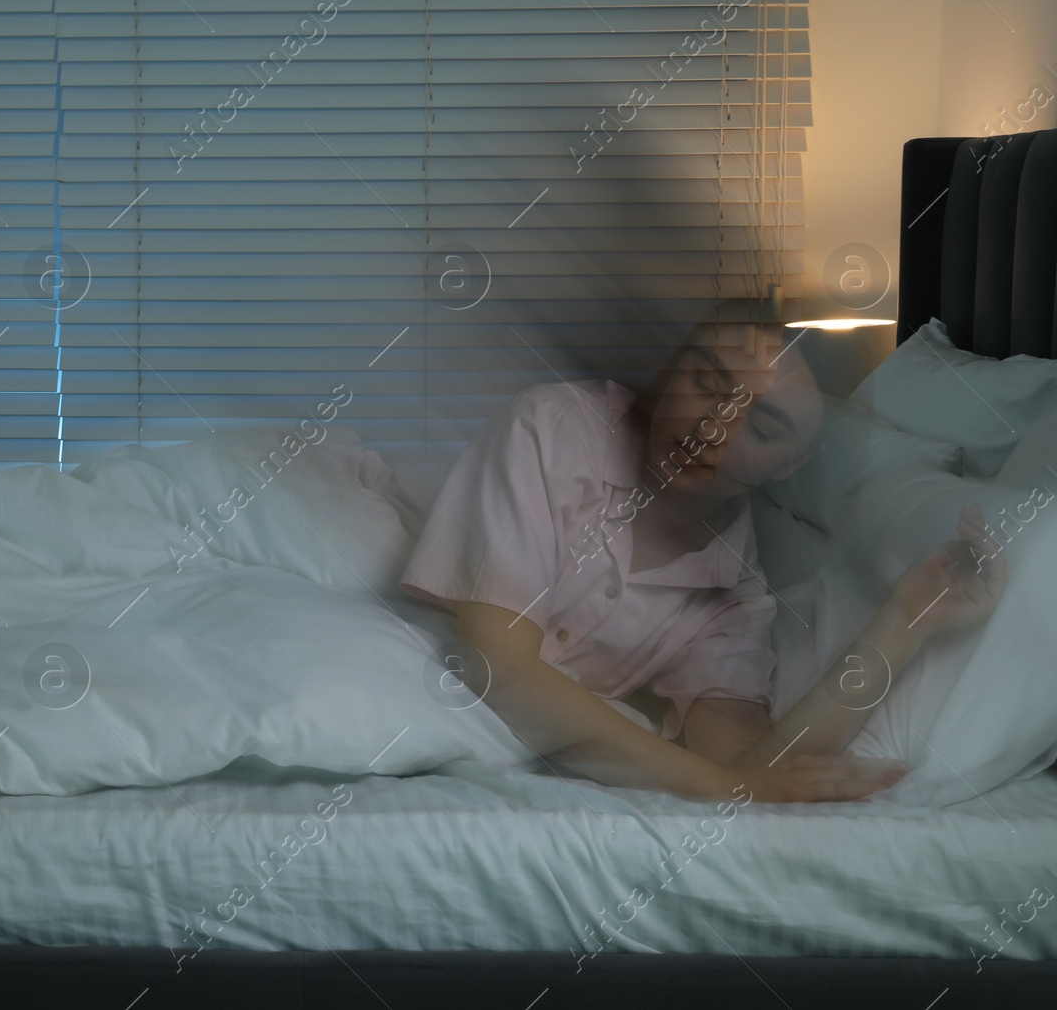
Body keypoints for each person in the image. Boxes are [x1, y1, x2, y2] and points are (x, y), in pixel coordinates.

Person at [399, 319, 1006, 803]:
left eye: (761, 425)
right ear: (668, 373)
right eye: (709, 384)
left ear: (790, 464)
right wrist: (726, 788)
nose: (714, 428)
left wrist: (905, 619)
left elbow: (760, 770)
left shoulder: (734, 596)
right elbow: (492, 665)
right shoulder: (553, 426)